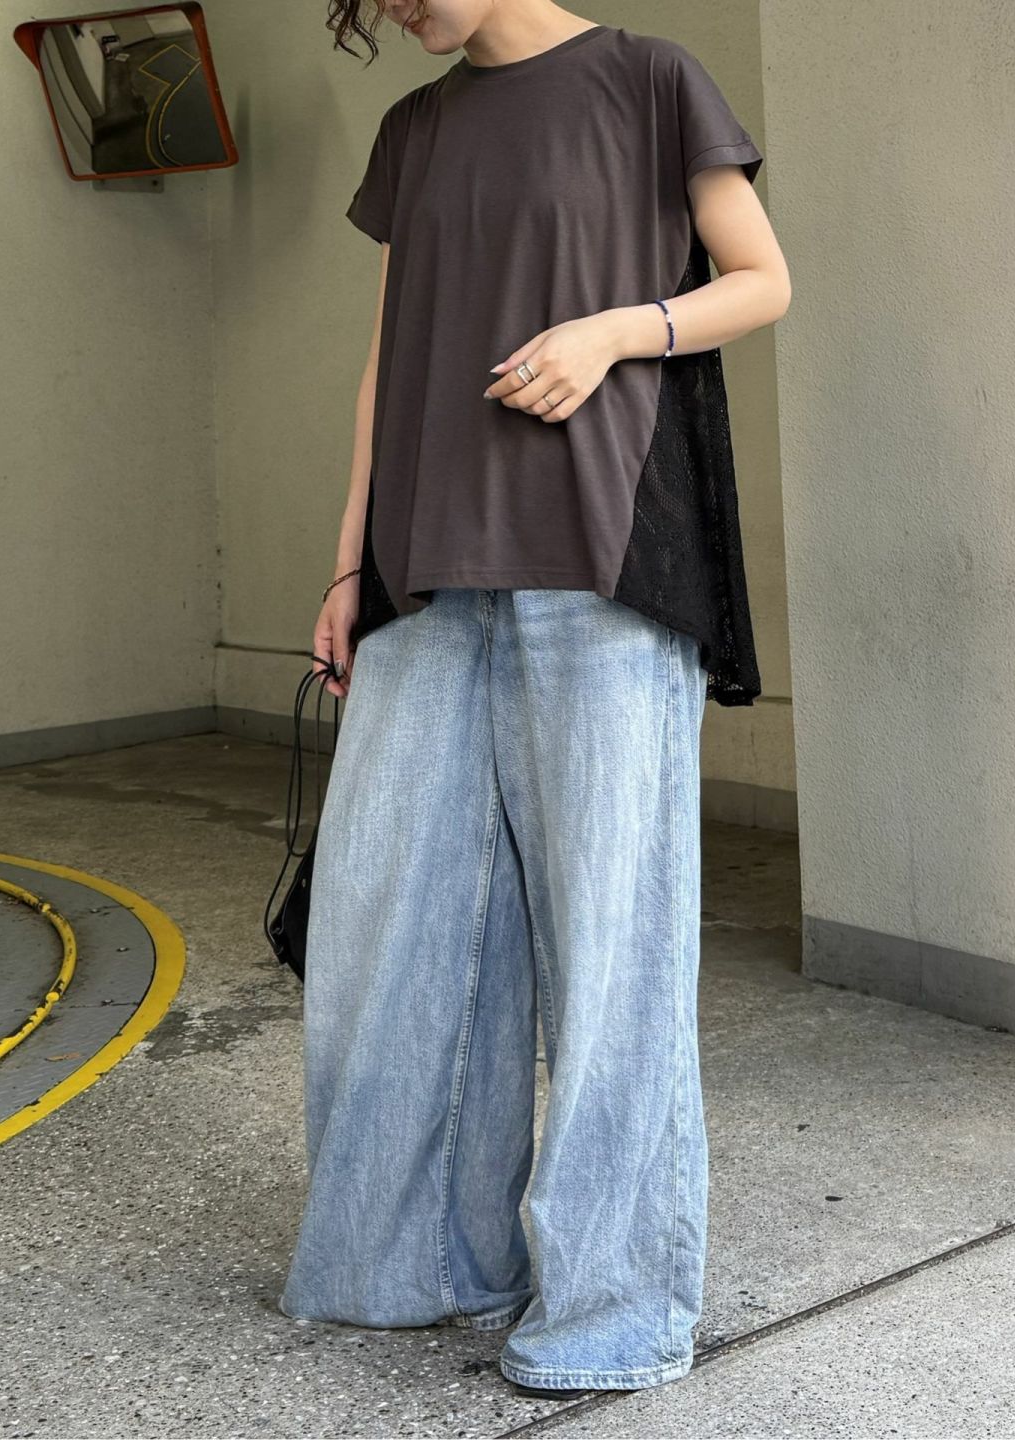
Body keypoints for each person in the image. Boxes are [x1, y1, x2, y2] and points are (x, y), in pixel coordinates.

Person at [278, 0, 791, 1400]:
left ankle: (616, 1309)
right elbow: (390, 362)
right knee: (396, 937)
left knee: (614, 951)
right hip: (428, 572)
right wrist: (348, 564)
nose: (390, 8)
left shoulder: (649, 80)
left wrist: (616, 333)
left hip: (603, 568)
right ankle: (419, 1260)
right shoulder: (417, 130)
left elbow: (761, 280)